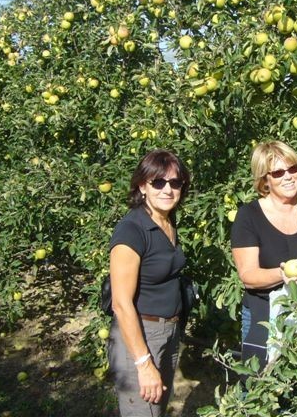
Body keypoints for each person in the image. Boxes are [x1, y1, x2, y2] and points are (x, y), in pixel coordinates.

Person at [230, 141, 297, 371]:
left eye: (293, 169)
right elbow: (248, 276)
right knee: (259, 382)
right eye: (278, 172)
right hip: (264, 317)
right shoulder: (249, 216)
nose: (288, 177)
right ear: (265, 180)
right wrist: (282, 274)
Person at [107, 148, 190, 417]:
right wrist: (143, 363)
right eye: (158, 182)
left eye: (175, 183)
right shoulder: (132, 230)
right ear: (142, 186)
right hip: (142, 334)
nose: (167, 189)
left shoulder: (166, 220)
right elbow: (121, 304)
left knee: (157, 410)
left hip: (169, 331)